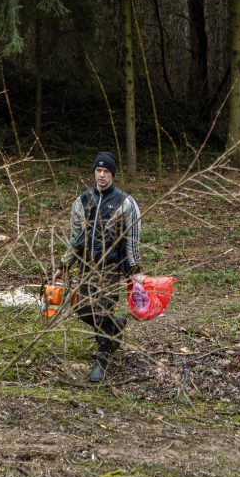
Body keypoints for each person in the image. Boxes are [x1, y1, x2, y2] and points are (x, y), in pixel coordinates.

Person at [52, 152, 144, 383]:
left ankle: (101, 361)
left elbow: (132, 240)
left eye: (106, 171)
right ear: (94, 172)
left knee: (101, 309)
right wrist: (63, 265)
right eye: (98, 171)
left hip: (110, 267)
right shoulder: (82, 201)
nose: (101, 175)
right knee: (82, 308)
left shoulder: (125, 203)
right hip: (86, 266)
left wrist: (135, 271)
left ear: (112, 173)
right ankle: (116, 324)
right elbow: (75, 237)